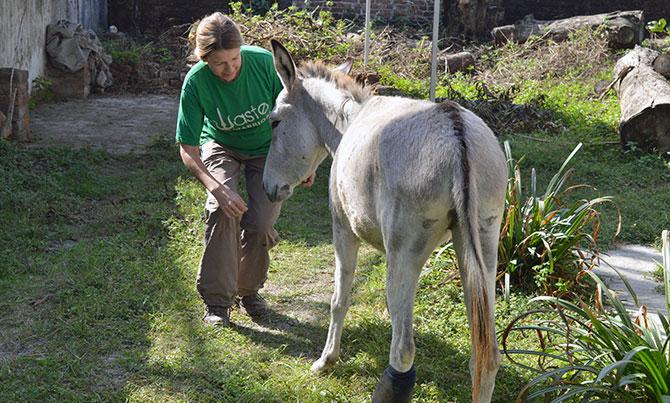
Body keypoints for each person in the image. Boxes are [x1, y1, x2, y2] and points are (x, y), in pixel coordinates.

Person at [176, 12, 314, 326]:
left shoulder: (264, 63)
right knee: (223, 210)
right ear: (203, 59)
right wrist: (217, 188)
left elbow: (296, 114)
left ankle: (248, 291)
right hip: (220, 144)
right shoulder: (196, 82)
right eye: (220, 64)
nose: (230, 69)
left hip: (266, 149)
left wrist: (301, 161)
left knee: (261, 220)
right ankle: (218, 302)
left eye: (235, 59)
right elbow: (187, 148)